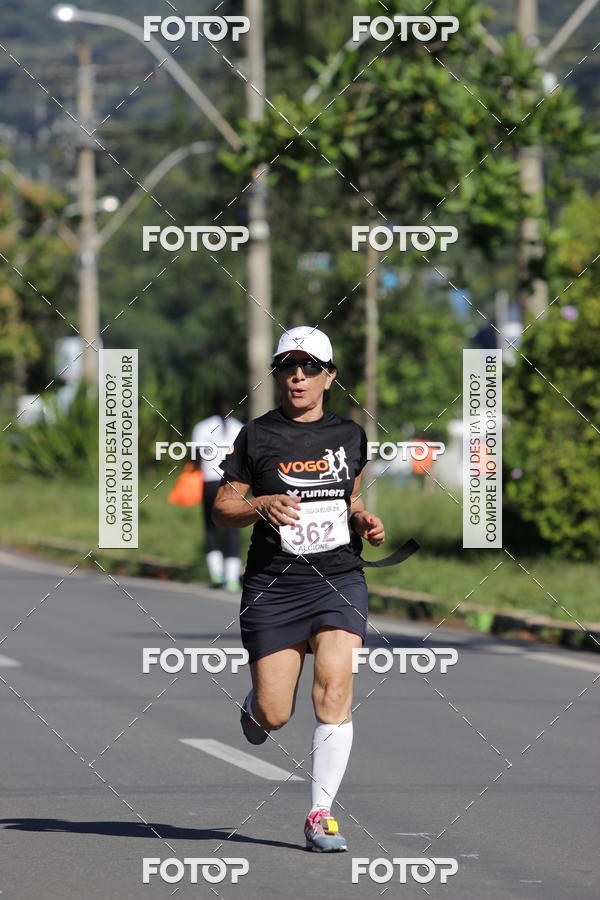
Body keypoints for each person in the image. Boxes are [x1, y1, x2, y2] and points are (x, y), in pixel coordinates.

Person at [212, 326, 386, 853]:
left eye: (310, 367)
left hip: (338, 578)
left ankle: (319, 816)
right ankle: (254, 707)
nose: (297, 376)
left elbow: (349, 498)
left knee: (334, 687)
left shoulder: (350, 435)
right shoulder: (257, 436)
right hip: (275, 586)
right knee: (276, 713)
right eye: (288, 366)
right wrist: (260, 505)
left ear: (329, 377)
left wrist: (362, 521)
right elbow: (222, 510)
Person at [191, 394, 244, 591]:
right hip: (234, 483)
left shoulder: (202, 427)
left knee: (210, 528)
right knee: (233, 529)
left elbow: (196, 460)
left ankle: (216, 574)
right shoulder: (239, 427)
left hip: (209, 483)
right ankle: (232, 579)